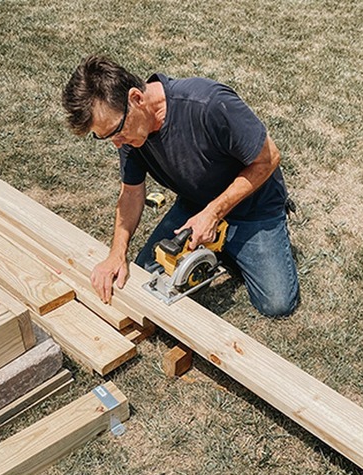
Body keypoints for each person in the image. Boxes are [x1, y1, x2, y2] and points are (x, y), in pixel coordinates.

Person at [62, 55, 299, 317]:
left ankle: (236, 243)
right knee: (143, 276)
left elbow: (269, 159)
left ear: (136, 99)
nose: (117, 143)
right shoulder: (130, 132)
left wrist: (212, 214)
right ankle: (222, 247)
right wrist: (117, 252)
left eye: (116, 132)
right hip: (195, 203)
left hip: (254, 208)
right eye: (105, 137)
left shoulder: (208, 103)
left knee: (277, 304)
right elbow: (131, 192)